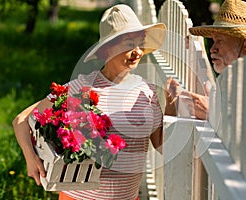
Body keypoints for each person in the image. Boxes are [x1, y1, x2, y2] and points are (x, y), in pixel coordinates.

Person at [12, 4, 166, 200]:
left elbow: (160, 145)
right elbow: (21, 121)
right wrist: (30, 158)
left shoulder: (147, 92)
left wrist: (172, 104)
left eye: (140, 43)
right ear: (107, 49)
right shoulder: (82, 88)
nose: (137, 51)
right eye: (129, 44)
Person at [164, 0, 246, 120]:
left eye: (220, 41)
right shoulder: (234, 80)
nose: (212, 49)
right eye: (213, 41)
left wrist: (214, 113)